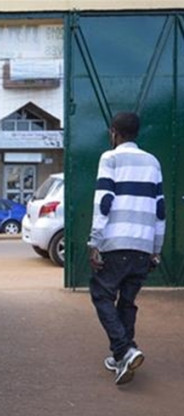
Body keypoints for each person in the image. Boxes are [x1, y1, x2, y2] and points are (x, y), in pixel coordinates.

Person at [88, 111, 166, 385]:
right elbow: (160, 210)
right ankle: (123, 358)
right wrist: (156, 248)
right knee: (127, 301)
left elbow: (104, 201)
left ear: (114, 133)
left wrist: (95, 242)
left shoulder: (110, 158)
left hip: (117, 242)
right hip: (143, 246)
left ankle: (124, 349)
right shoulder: (153, 162)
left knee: (101, 294)